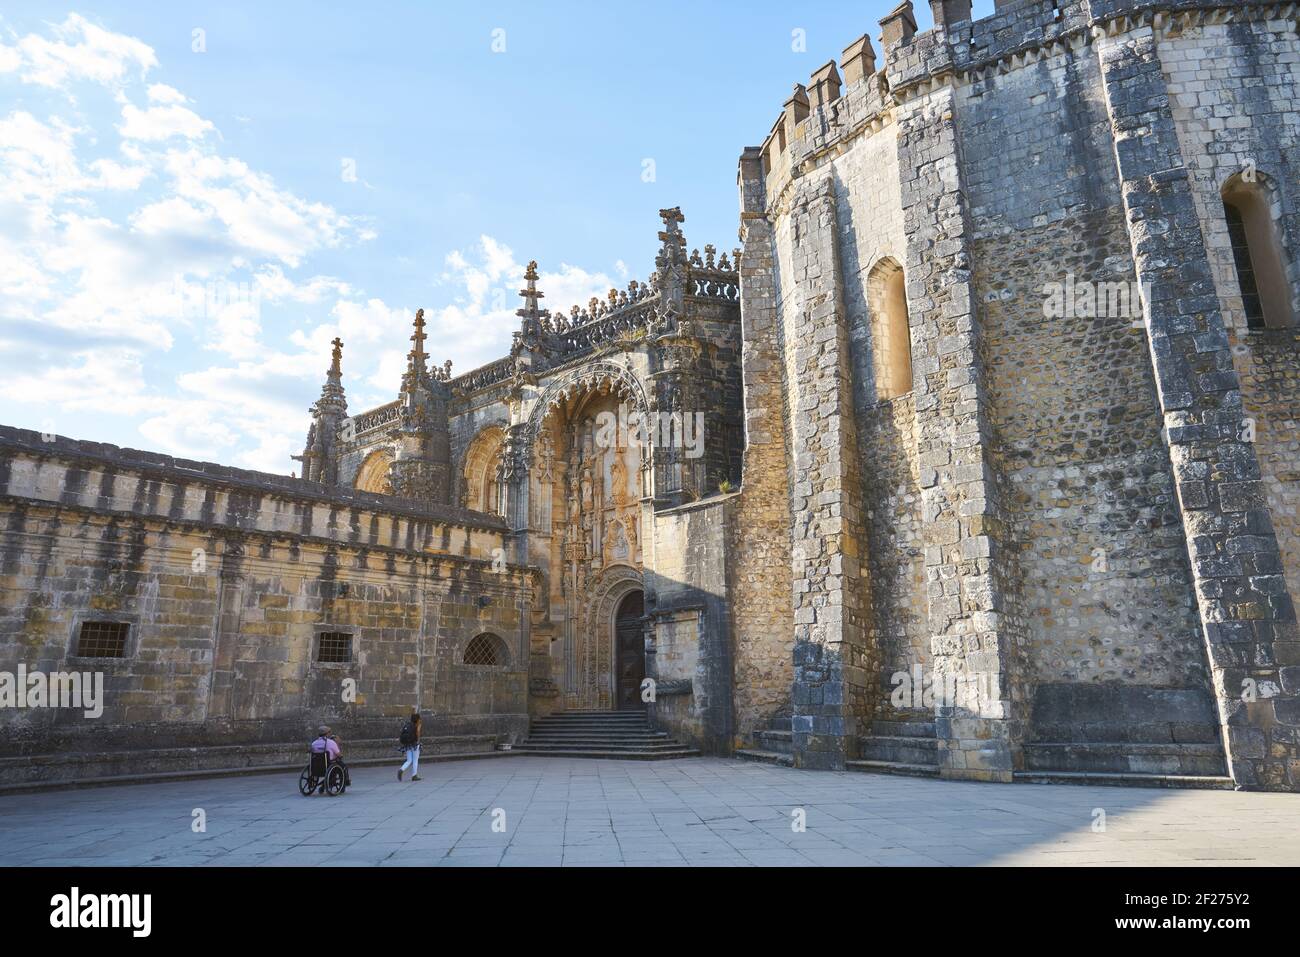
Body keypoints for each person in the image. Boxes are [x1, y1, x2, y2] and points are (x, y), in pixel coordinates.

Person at [311, 725, 351, 789]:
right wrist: (341, 755)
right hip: (329, 764)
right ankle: (344, 782)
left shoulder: (313, 743)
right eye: (329, 732)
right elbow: (339, 754)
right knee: (343, 766)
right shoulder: (331, 742)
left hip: (316, 765)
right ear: (327, 733)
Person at [398, 711, 422, 782]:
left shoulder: (408, 725)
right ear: (417, 720)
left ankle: (401, 769)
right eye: (419, 719)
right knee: (415, 760)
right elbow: (417, 737)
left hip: (407, 745)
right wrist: (419, 728)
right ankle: (414, 775)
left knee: (409, 760)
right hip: (414, 745)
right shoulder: (416, 726)